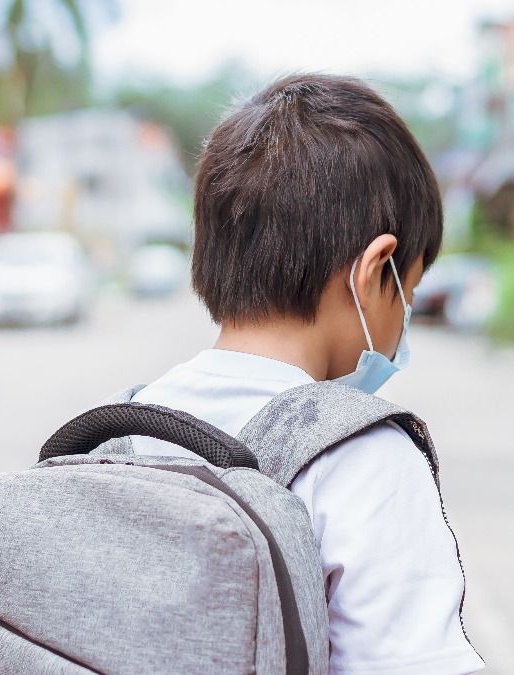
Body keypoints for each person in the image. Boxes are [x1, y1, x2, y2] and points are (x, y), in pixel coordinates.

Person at [130, 73, 485, 674]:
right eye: (410, 292)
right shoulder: (360, 458)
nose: (403, 324)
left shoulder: (123, 432)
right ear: (374, 273)